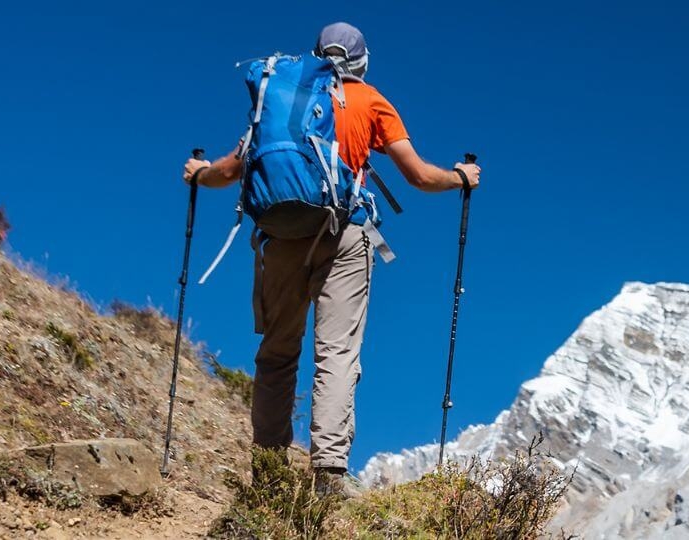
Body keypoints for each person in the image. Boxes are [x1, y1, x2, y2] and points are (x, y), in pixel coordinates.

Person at [183, 21, 480, 497]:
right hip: (344, 232)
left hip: (279, 234)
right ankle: (328, 474)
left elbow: (229, 170)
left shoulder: (282, 97)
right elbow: (421, 177)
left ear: (315, 54)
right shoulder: (370, 101)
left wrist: (198, 174)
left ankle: (269, 471)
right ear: (362, 61)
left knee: (278, 352)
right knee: (336, 351)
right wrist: (461, 177)